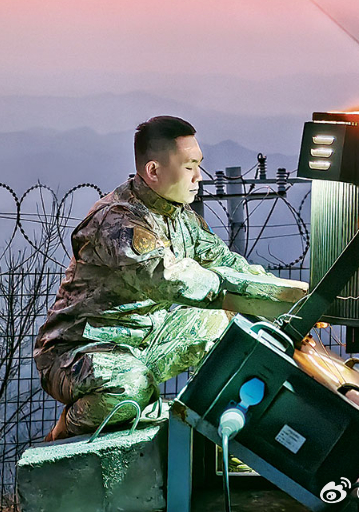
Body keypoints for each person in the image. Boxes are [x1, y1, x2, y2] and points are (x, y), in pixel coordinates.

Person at [34, 116, 306, 441]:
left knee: (229, 326)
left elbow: (225, 262)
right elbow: (170, 278)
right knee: (130, 387)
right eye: (189, 166)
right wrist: (252, 291)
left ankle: (221, 424)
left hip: (144, 341)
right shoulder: (117, 223)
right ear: (153, 171)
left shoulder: (180, 217)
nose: (199, 177)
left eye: (199, 165)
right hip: (81, 352)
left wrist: (284, 295)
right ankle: (72, 426)